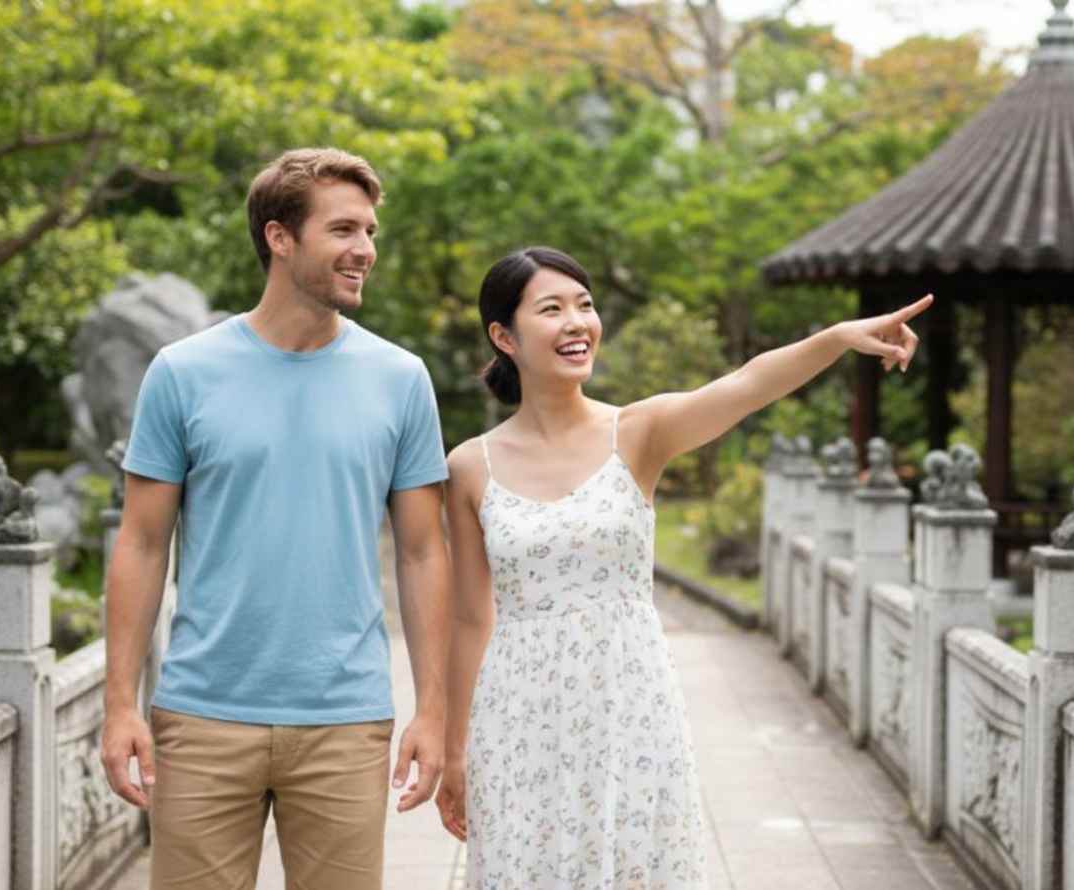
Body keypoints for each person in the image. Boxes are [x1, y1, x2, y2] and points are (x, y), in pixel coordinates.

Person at [433, 246, 930, 888]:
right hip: (519, 716)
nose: (577, 323)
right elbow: (471, 618)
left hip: (629, 703)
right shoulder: (472, 466)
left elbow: (747, 385)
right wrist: (456, 751)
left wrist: (837, 338)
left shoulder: (639, 432)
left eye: (585, 305)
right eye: (551, 310)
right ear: (505, 336)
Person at [99, 148, 451, 889]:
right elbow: (140, 542)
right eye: (344, 230)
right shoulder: (181, 372)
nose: (366, 250)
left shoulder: (400, 379)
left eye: (370, 231)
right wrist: (119, 706)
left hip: (346, 719)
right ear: (279, 237)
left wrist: (433, 711)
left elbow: (423, 554)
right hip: (201, 715)